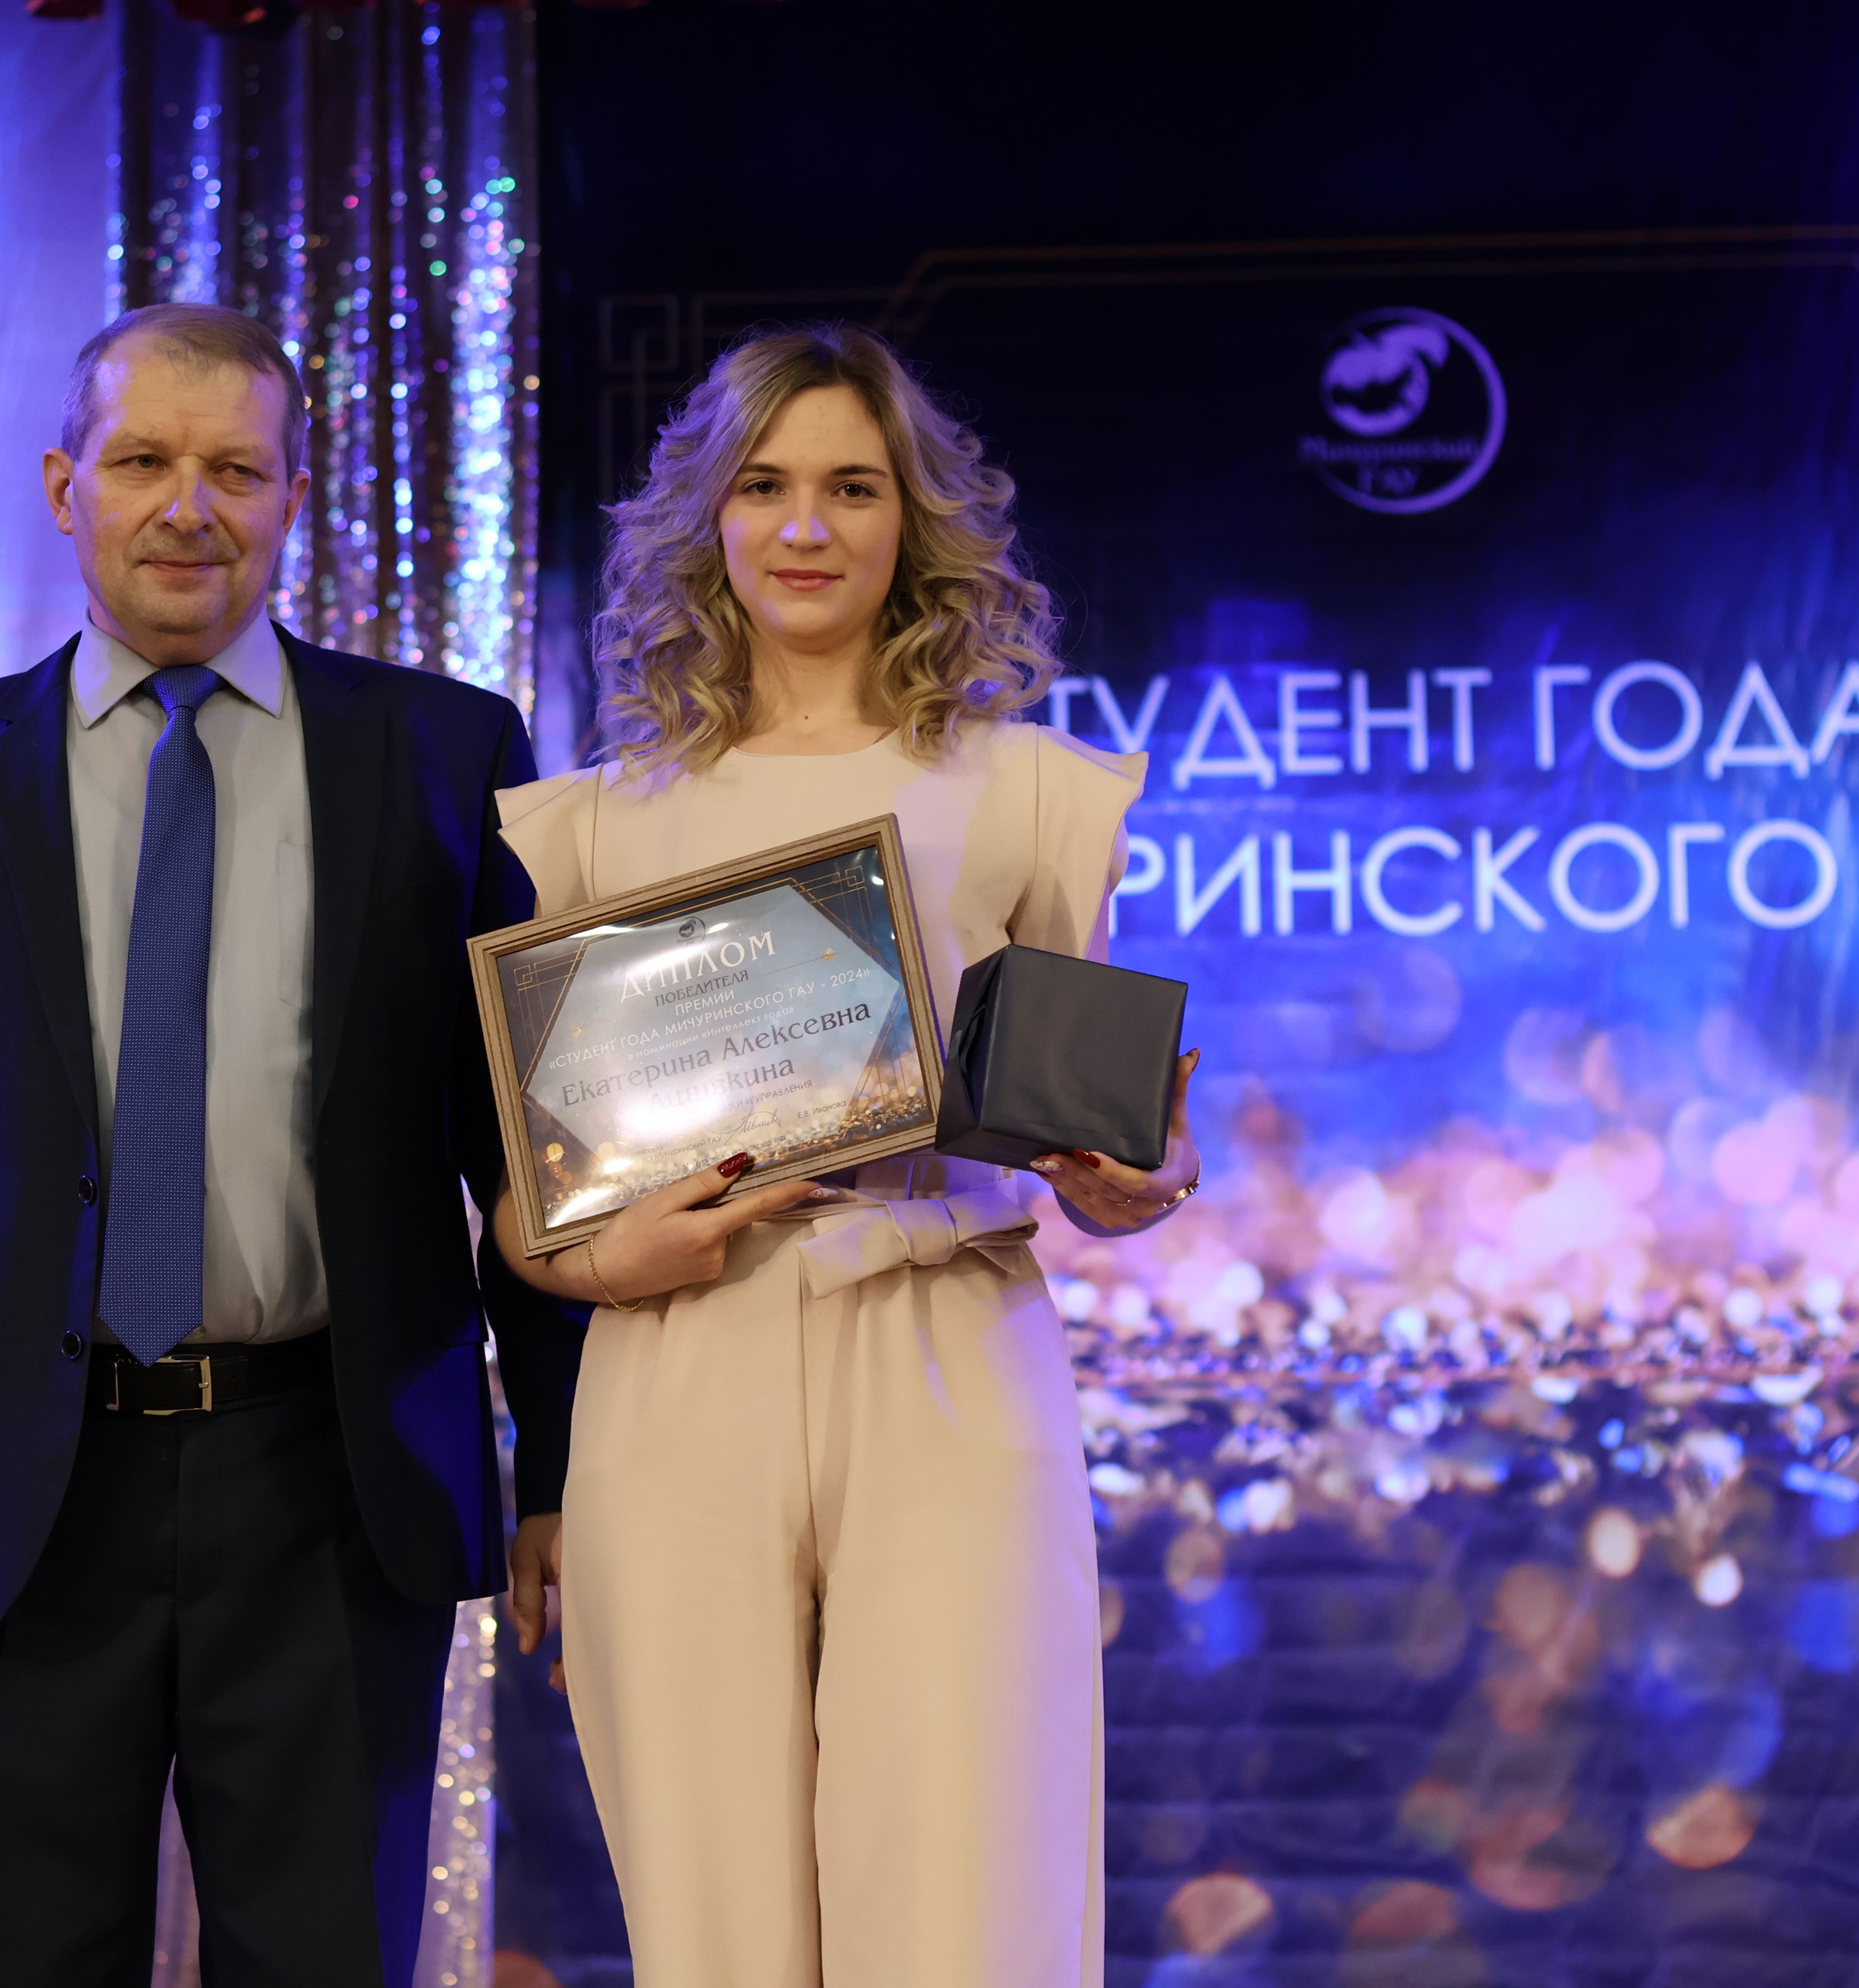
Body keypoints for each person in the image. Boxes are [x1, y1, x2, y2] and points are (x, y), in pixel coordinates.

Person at [0, 301, 579, 1988]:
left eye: (237, 470)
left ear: (294, 498)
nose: (191, 507)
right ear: (65, 488)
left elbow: (528, 1161)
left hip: (338, 1493)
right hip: (16, 1509)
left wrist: (559, 1465)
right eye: (144, 463)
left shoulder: (449, 755)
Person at [488, 324, 1201, 1988]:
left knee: (968, 1913)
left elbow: (1103, 1133)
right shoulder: (590, 824)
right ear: (707, 519)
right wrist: (599, 1263)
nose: (806, 527)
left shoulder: (1031, 794)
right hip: (676, 1369)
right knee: (714, 1932)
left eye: (852, 488)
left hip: (949, 1348)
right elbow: (529, 1211)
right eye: (765, 486)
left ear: (915, 519)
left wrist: (1141, 1184)